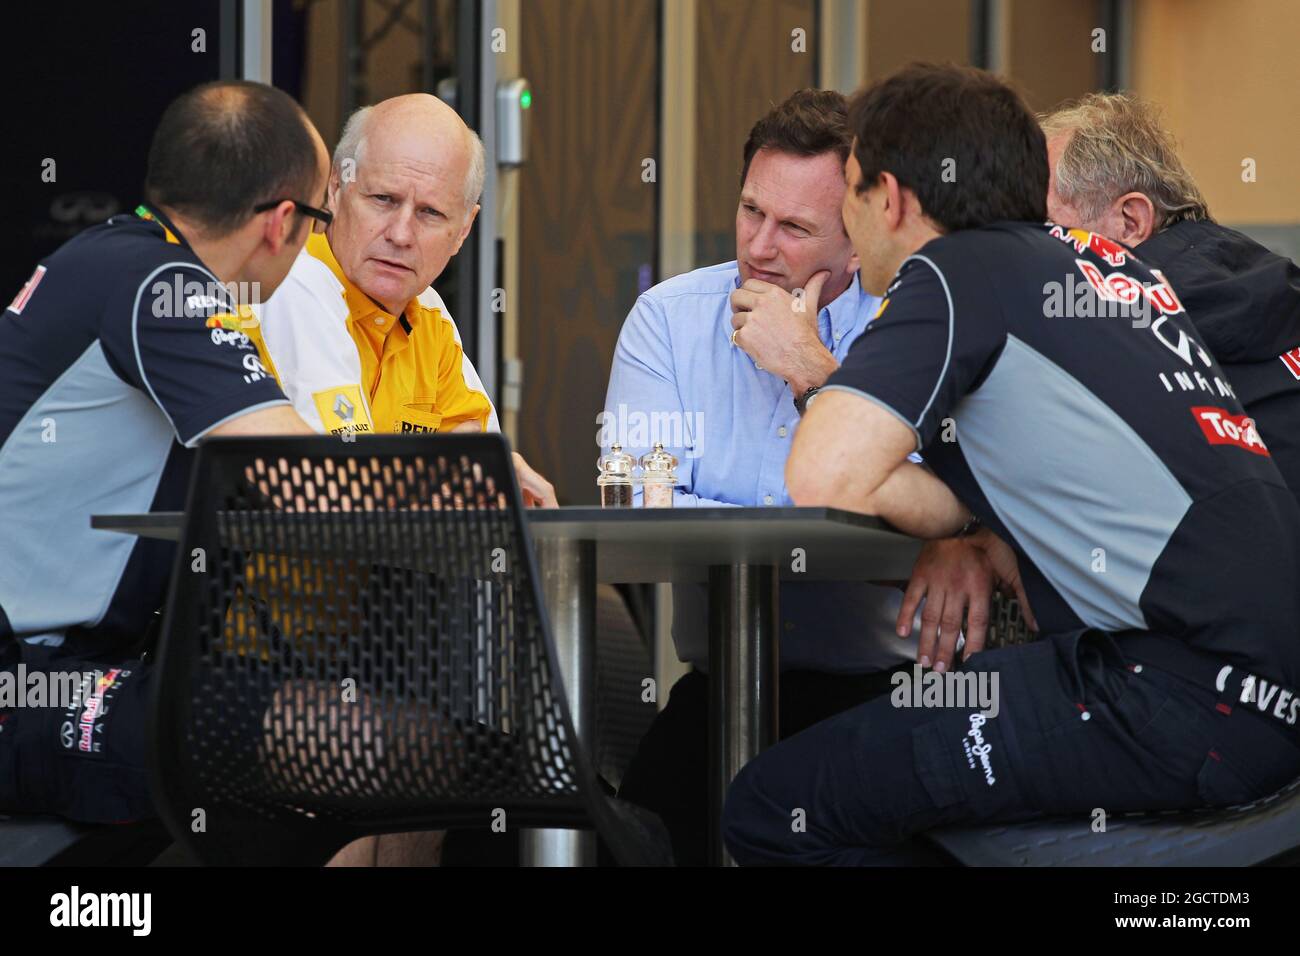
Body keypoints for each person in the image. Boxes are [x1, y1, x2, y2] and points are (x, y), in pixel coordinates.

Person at [722, 64, 1300, 865]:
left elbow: (822, 474)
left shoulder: (952, 275)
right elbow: (949, 488)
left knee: (774, 806)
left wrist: (841, 407)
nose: (849, 230)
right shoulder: (1114, 271)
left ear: (889, 198)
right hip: (1247, 683)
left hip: (1178, 691)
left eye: (851, 195)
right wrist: (955, 511)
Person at [602, 89, 924, 865]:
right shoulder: (669, 319)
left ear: (855, 241)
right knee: (632, 839)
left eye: (794, 227)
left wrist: (812, 370)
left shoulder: (910, 322)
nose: (759, 245)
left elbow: (934, 494)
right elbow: (638, 498)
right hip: (716, 685)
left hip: (879, 686)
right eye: (752, 212)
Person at [0, 80, 326, 826]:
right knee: (351, 736)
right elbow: (309, 479)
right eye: (318, 221)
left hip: (56, 674)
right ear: (281, 222)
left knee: (329, 726)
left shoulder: (112, 256)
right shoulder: (167, 284)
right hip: (23, 689)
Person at [250, 93, 554, 507]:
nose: (400, 234)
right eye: (383, 200)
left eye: (430, 213)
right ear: (335, 191)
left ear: (464, 229)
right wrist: (433, 483)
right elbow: (339, 493)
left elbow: (484, 479)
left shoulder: (428, 313)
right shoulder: (287, 282)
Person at [1042, 92, 1300, 500]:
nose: (1028, 253)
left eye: (1046, 229)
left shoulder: (1126, 317)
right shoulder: (1256, 273)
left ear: (1131, 221)